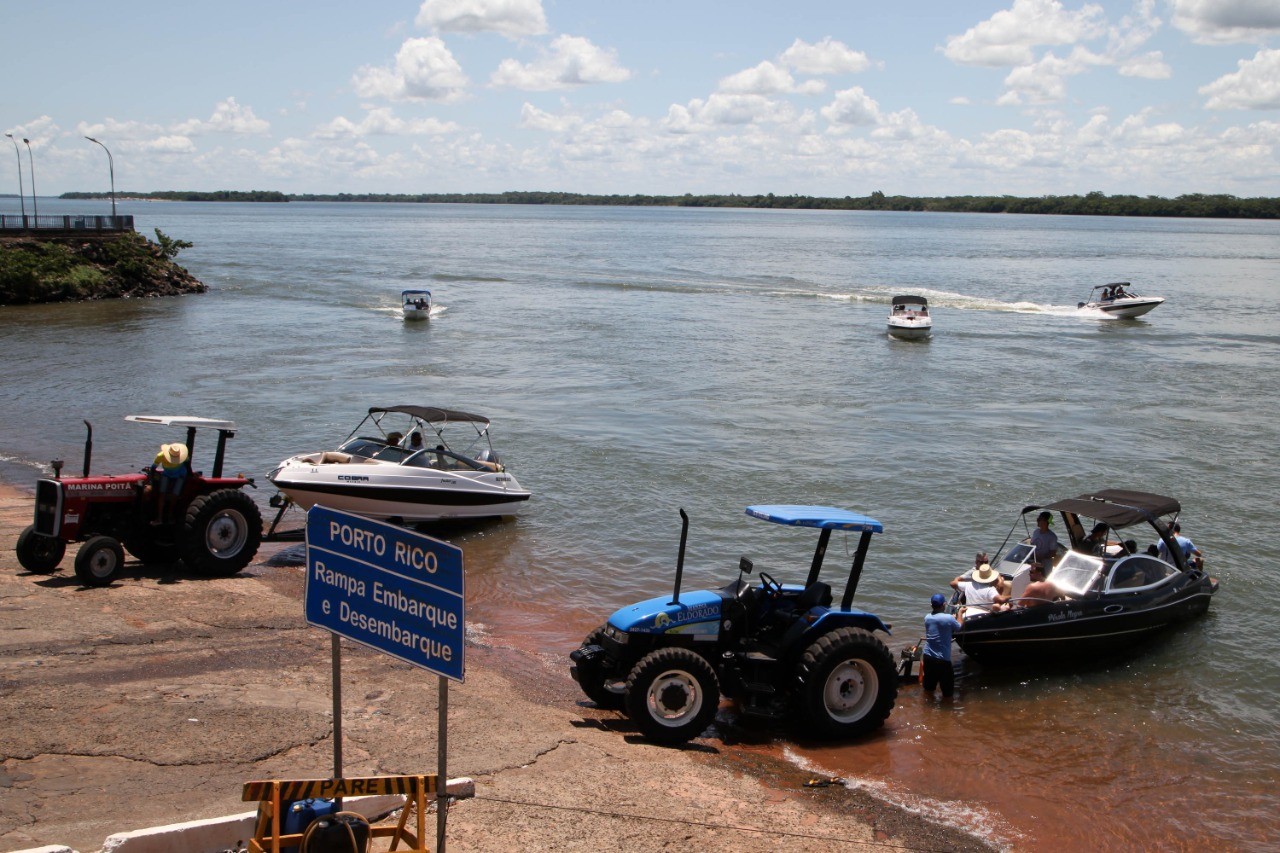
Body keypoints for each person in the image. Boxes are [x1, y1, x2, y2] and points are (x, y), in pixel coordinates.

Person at [922, 592, 963, 699]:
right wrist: (960, 614)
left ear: (931, 605)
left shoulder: (927, 618)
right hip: (942, 659)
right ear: (944, 604)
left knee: (929, 688)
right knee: (947, 692)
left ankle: (927, 707)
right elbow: (959, 627)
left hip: (928, 656)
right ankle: (946, 711)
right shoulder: (949, 618)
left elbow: (940, 623)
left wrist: (951, 618)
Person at [152, 442, 188, 524]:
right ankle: (159, 518)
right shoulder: (160, 455)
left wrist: (191, 475)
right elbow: (153, 468)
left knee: (175, 495)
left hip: (180, 475)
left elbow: (188, 467)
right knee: (162, 494)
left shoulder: (184, 456)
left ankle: (170, 515)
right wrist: (152, 480)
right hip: (167, 474)